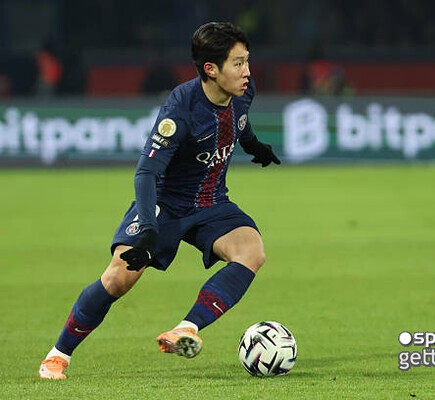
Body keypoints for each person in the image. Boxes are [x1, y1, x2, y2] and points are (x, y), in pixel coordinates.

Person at [38, 22, 281, 380]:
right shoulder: (181, 109)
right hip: (165, 204)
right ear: (211, 69)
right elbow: (146, 173)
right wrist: (149, 230)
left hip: (212, 201)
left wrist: (254, 146)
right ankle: (57, 356)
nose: (247, 71)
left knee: (251, 251)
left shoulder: (244, 91)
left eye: (247, 61)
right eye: (238, 63)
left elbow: (239, 122)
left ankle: (186, 329)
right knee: (118, 278)